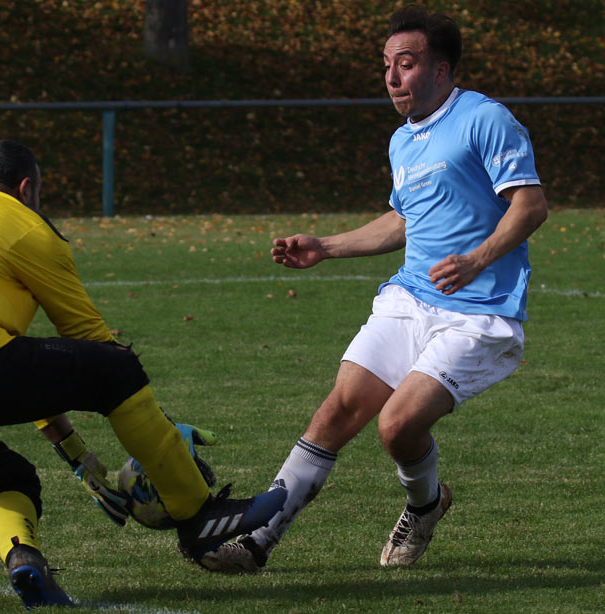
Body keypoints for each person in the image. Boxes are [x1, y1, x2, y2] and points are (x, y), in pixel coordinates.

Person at [0, 140, 287, 608]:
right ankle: (198, 516)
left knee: (6, 480)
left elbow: (22, 369)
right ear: (26, 188)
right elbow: (91, 342)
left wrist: (80, 460)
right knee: (117, 366)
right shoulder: (23, 224)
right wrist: (163, 439)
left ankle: (23, 558)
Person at [199, 5, 548, 573]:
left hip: (478, 313)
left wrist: (477, 259)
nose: (391, 77)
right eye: (386, 65)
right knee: (337, 410)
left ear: (441, 70)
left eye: (405, 64)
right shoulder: (402, 140)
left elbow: (530, 205)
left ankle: (425, 505)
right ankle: (257, 541)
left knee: (397, 426)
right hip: (409, 299)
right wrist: (326, 246)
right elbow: (404, 220)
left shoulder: (485, 119)